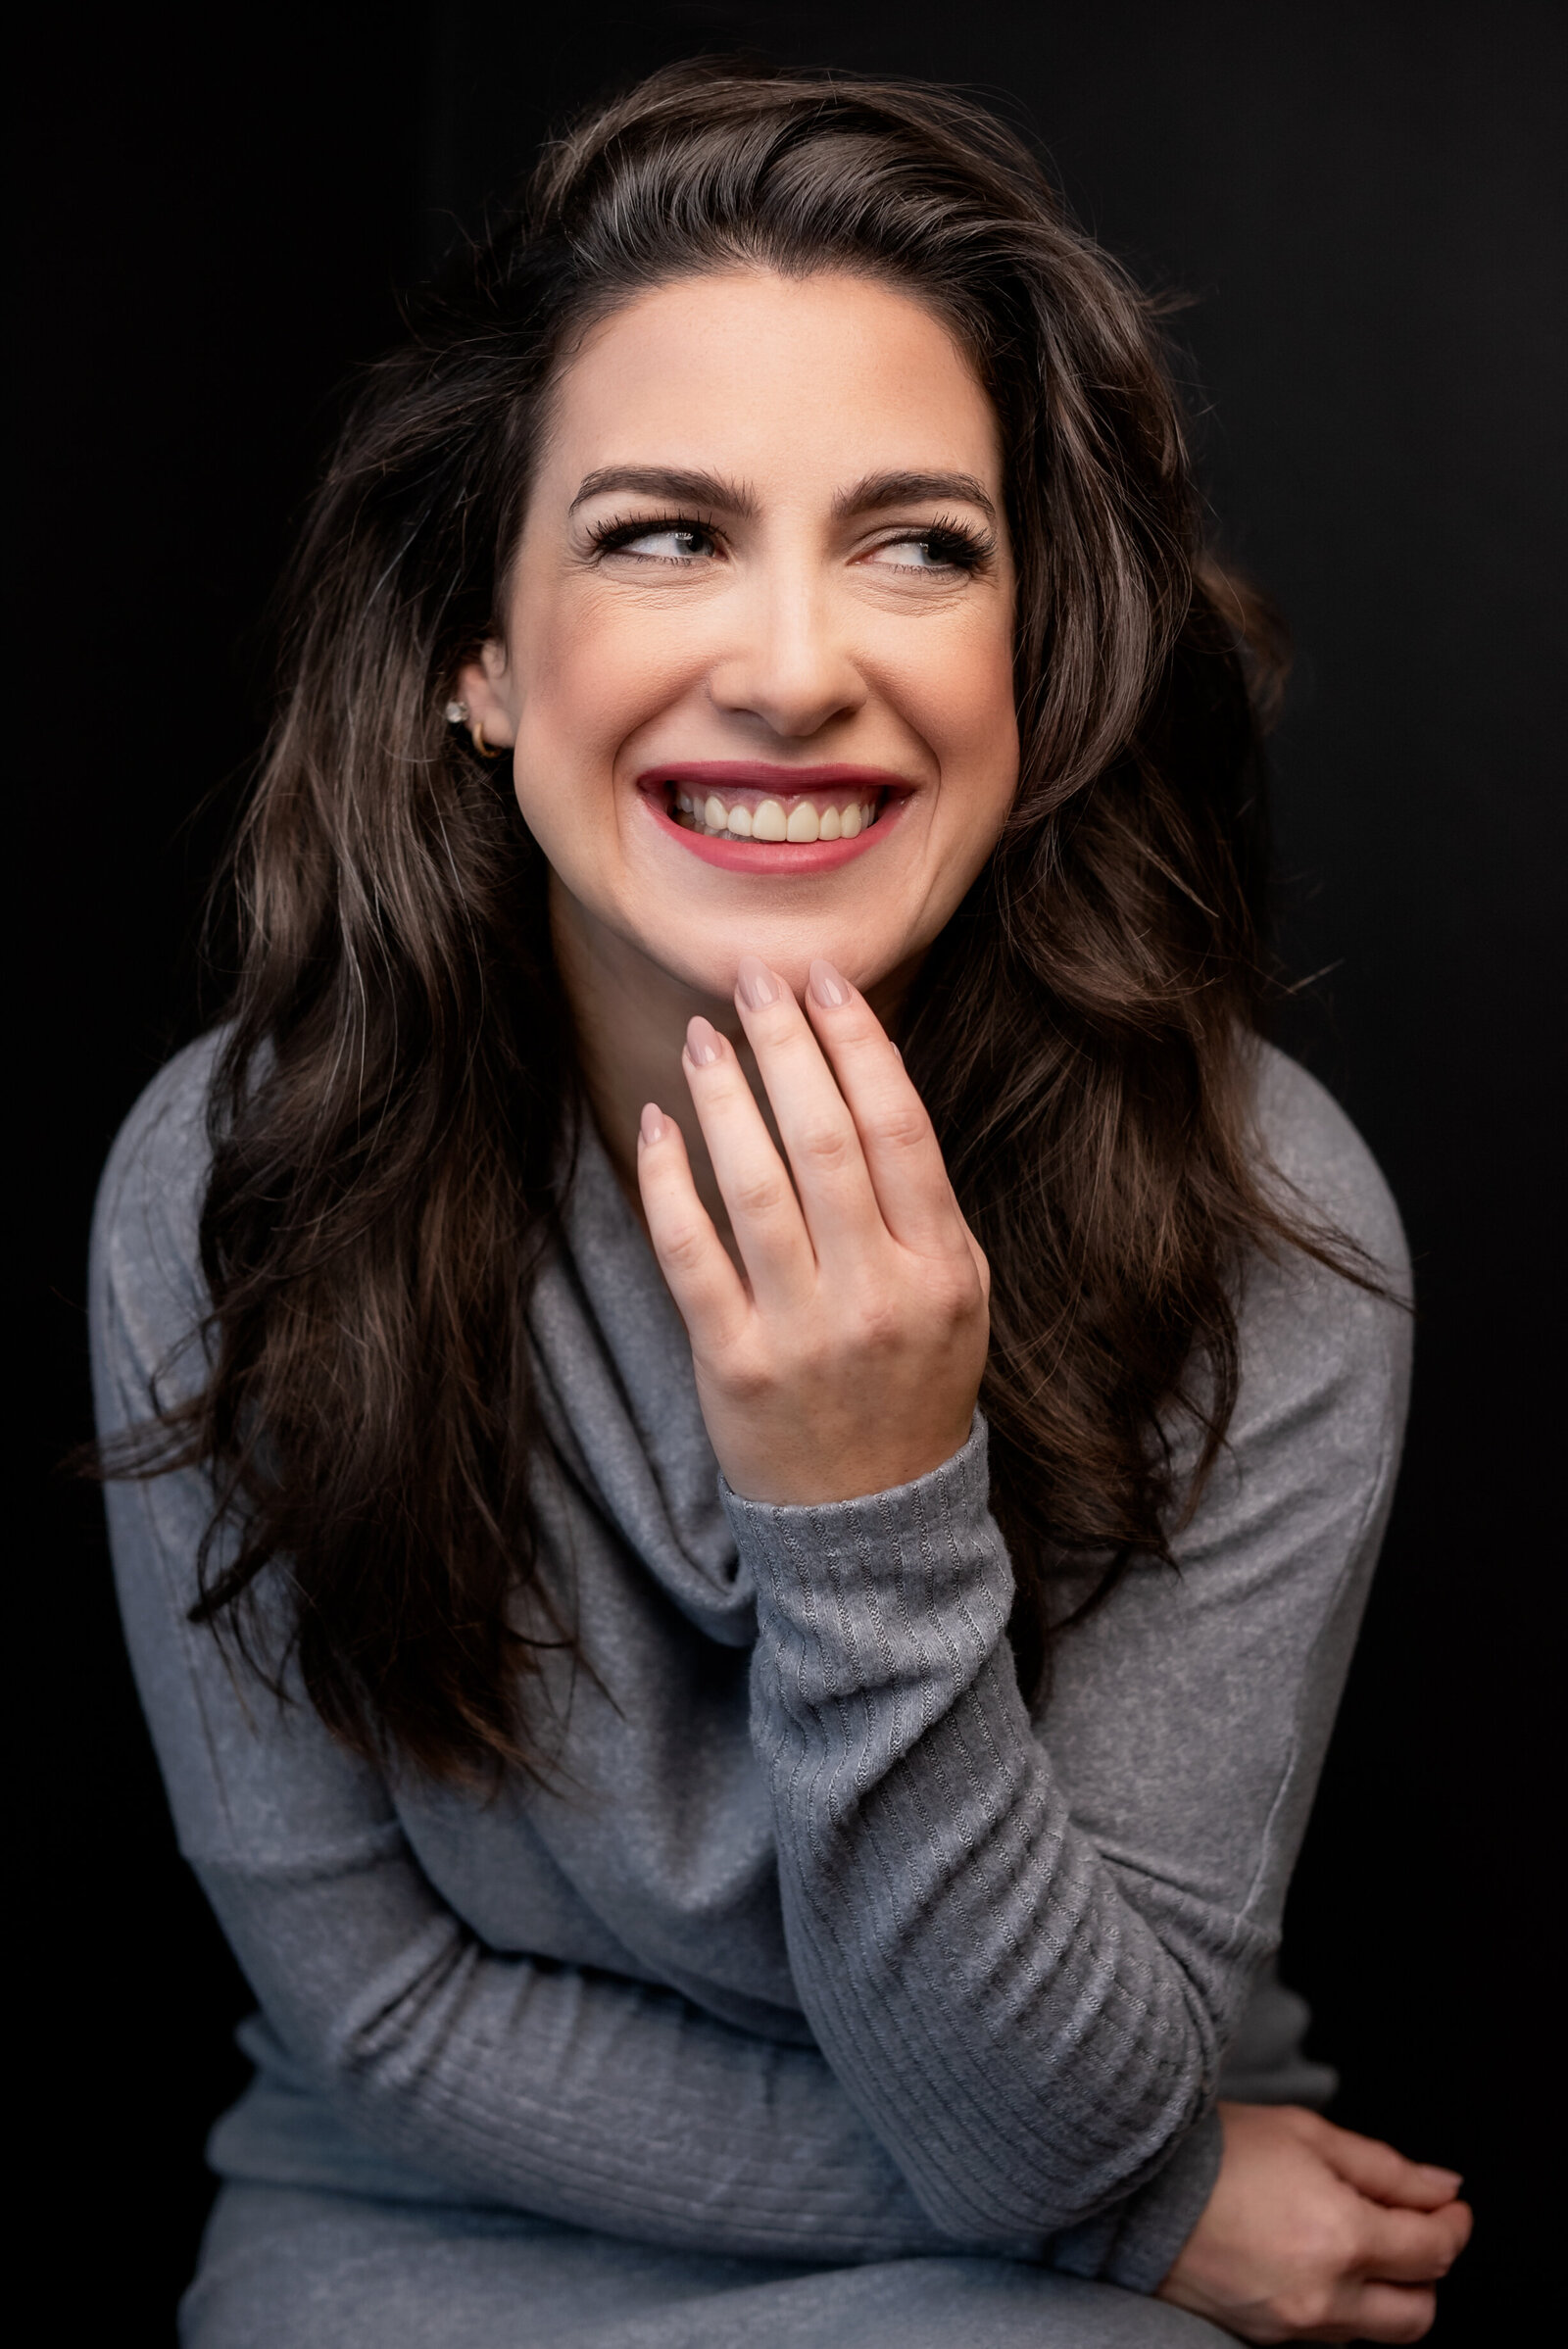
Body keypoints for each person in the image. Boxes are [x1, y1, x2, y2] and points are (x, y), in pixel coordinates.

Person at [91, 63, 1473, 2348]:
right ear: (474, 649)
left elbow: (1043, 2125)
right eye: (660, 533)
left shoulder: (1262, 1219)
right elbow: (386, 2016)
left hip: (1014, 2260)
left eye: (918, 542)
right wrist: (1145, 2213)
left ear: (1028, 664)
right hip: (436, 2233)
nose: (798, 666)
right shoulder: (234, 1179)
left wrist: (868, 1512)